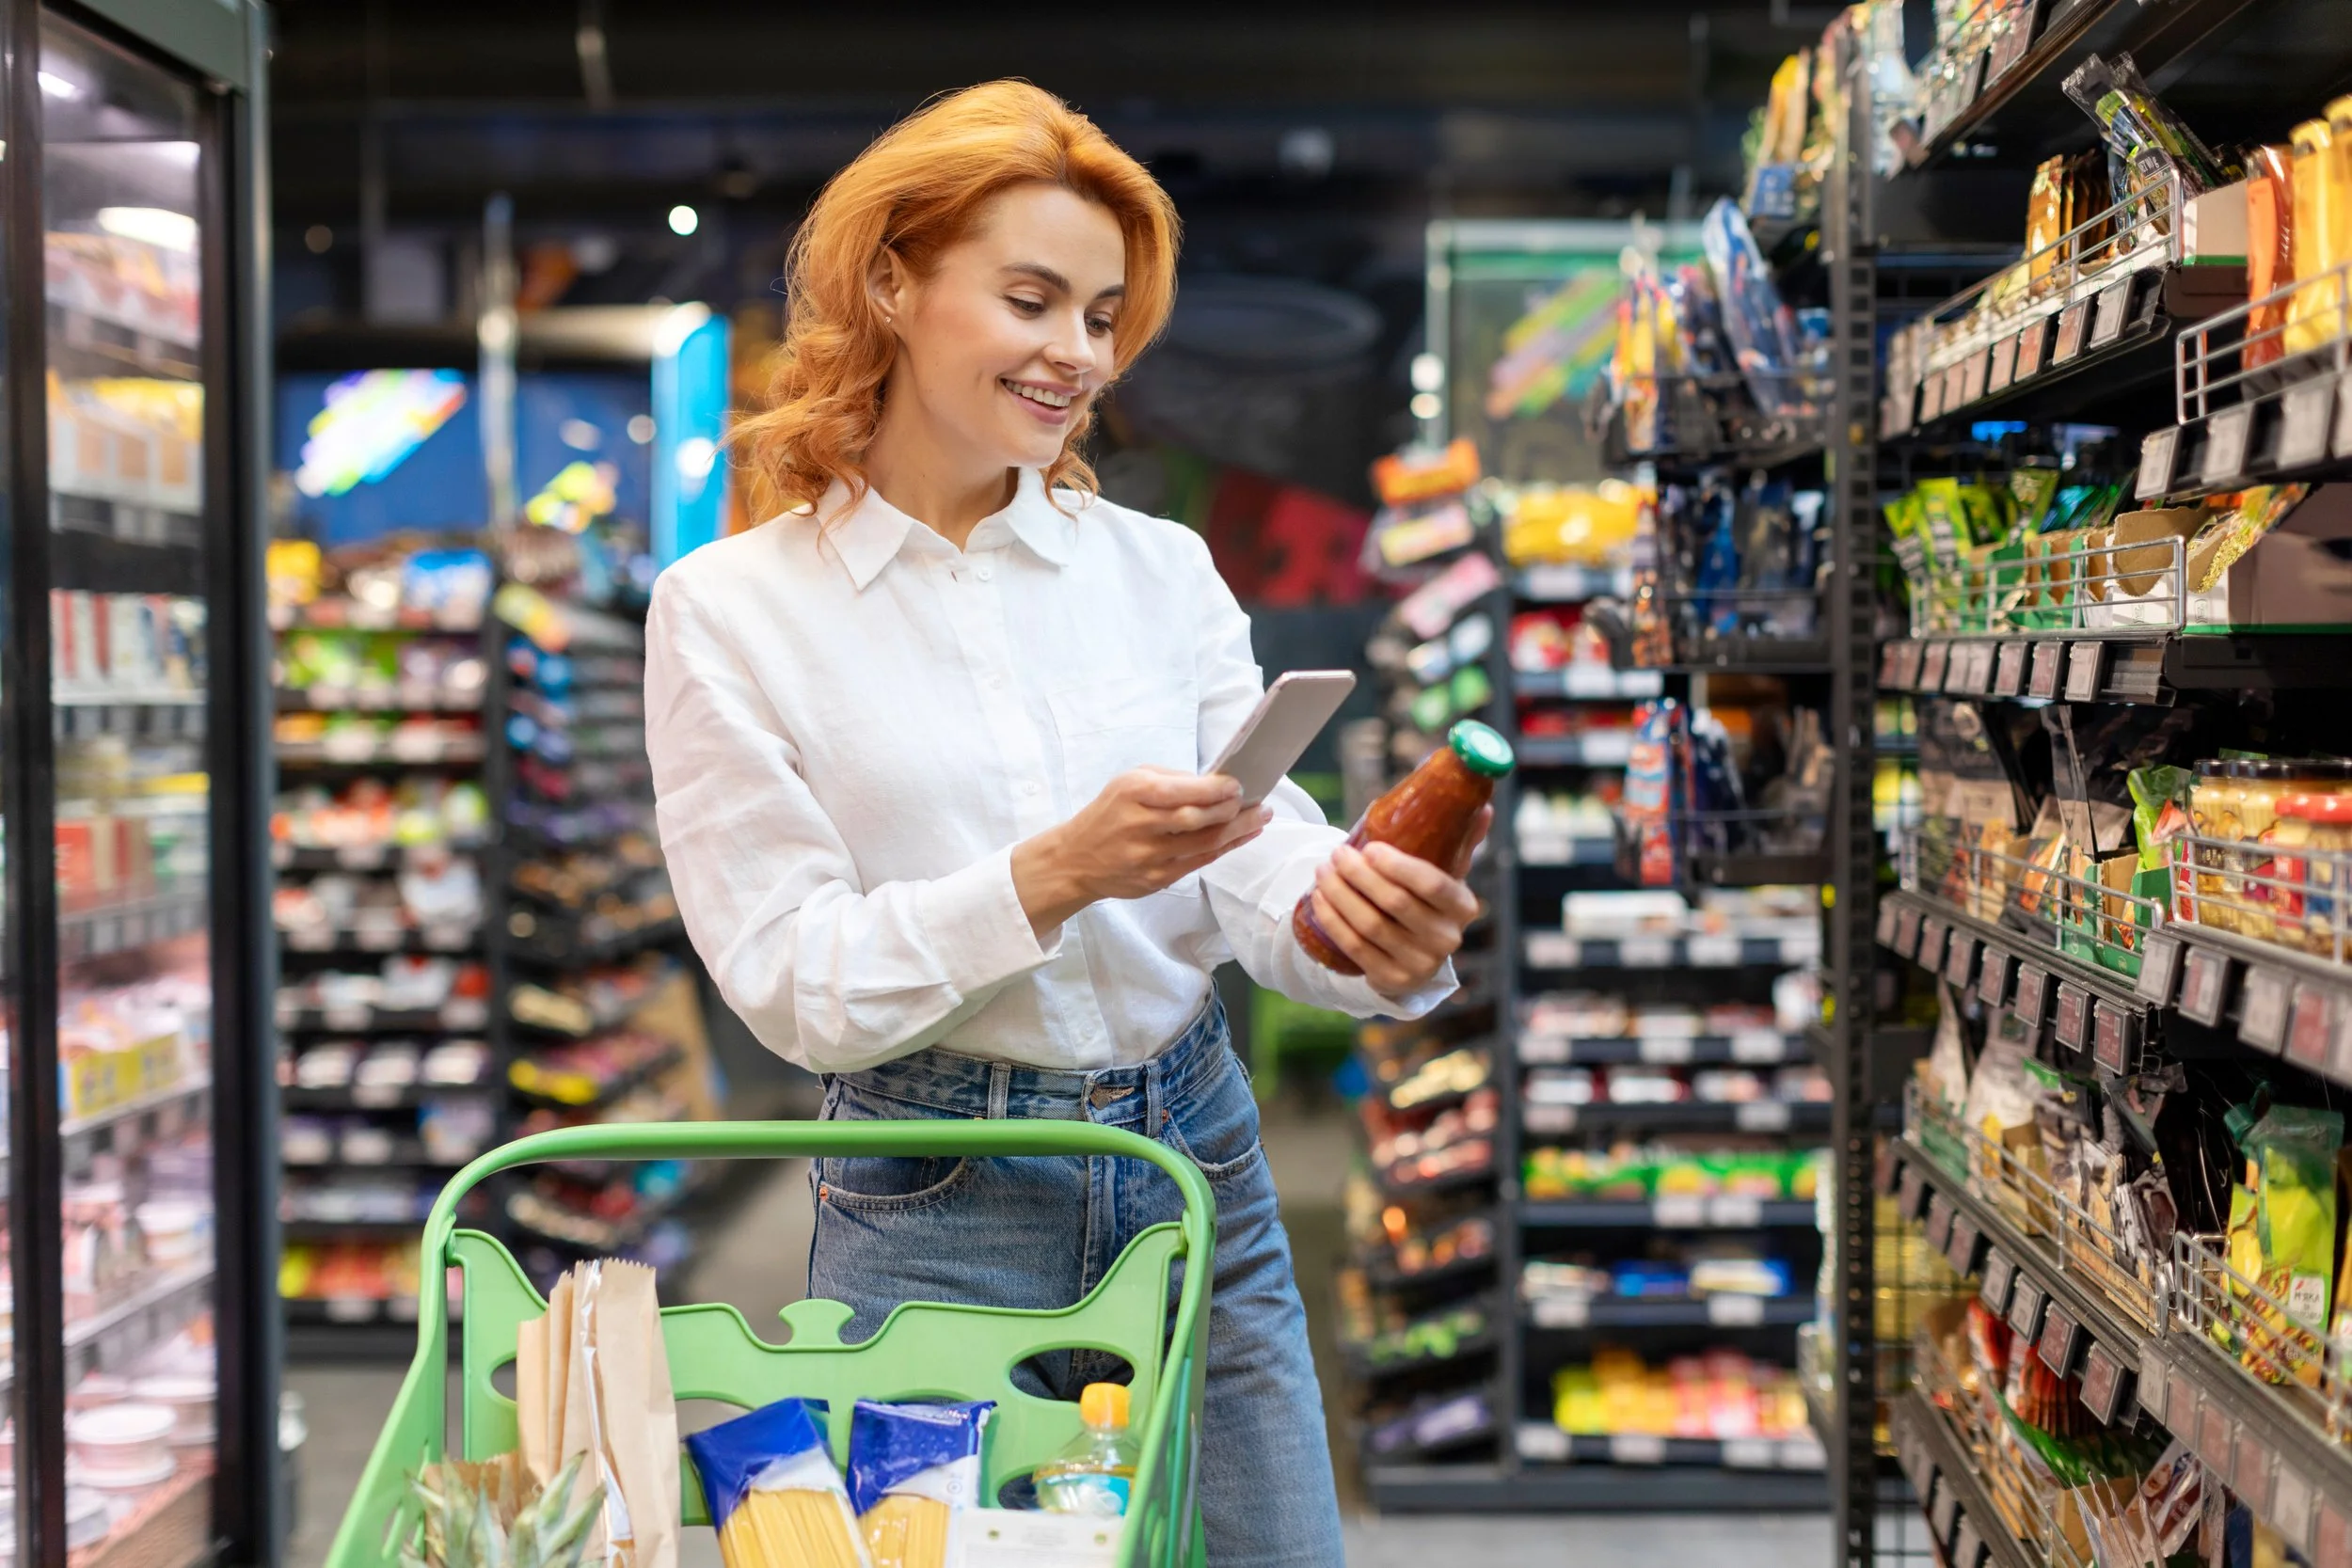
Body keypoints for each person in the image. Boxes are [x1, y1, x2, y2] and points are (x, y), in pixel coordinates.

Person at [644, 80, 1485, 1566]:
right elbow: (792, 985)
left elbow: (1253, 850)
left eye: (1102, 315)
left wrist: (1346, 921)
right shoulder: (732, 613)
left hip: (1195, 1152)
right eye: (1032, 298)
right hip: (937, 1195)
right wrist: (1045, 879)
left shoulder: (1157, 571)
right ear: (892, 280)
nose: (1076, 354)